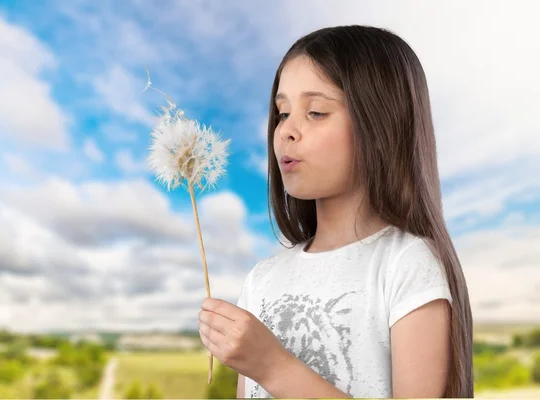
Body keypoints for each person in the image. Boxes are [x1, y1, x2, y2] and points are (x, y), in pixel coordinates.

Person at [198, 25, 473, 399]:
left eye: (315, 112)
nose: (286, 132)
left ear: (380, 123)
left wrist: (272, 366)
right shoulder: (261, 280)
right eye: (282, 113)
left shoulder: (406, 265)